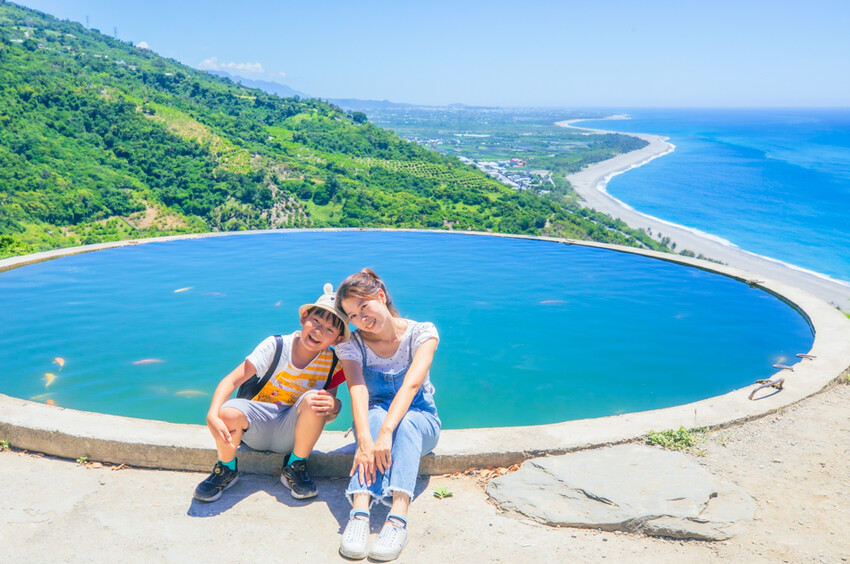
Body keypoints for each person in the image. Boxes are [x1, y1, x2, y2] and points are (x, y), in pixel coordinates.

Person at [193, 283, 349, 503]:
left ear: (337, 339)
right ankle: (226, 468)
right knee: (227, 411)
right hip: (256, 427)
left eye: (330, 330)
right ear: (304, 318)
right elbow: (230, 380)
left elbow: (328, 410)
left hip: (293, 434)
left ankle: (295, 465)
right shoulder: (275, 346)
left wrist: (334, 406)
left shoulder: (334, 363)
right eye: (316, 321)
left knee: (317, 399)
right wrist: (212, 414)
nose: (319, 331)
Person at [334, 269, 440, 562]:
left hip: (420, 419)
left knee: (403, 424)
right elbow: (357, 390)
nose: (360, 319)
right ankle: (360, 512)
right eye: (352, 315)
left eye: (364, 306)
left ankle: (398, 517)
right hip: (376, 418)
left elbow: (412, 385)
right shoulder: (351, 344)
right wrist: (366, 439)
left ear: (380, 296)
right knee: (375, 417)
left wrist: (385, 434)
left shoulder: (422, 333)